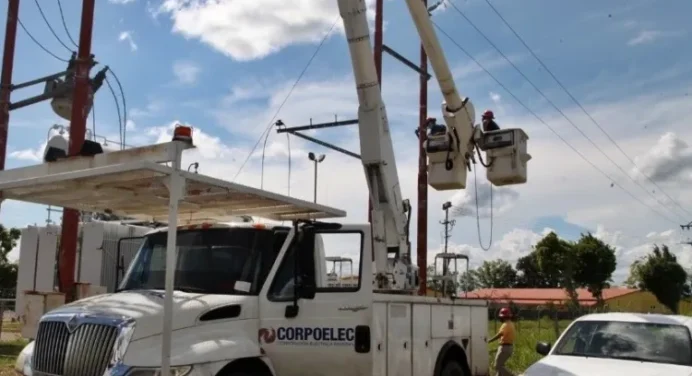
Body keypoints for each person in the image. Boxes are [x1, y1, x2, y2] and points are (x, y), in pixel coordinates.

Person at [487, 307, 515, 376]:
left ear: (503, 317)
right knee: (500, 367)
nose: (500, 318)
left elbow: (500, 334)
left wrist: (490, 340)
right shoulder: (510, 324)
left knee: (497, 366)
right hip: (507, 347)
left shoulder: (506, 325)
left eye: (500, 317)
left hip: (505, 348)